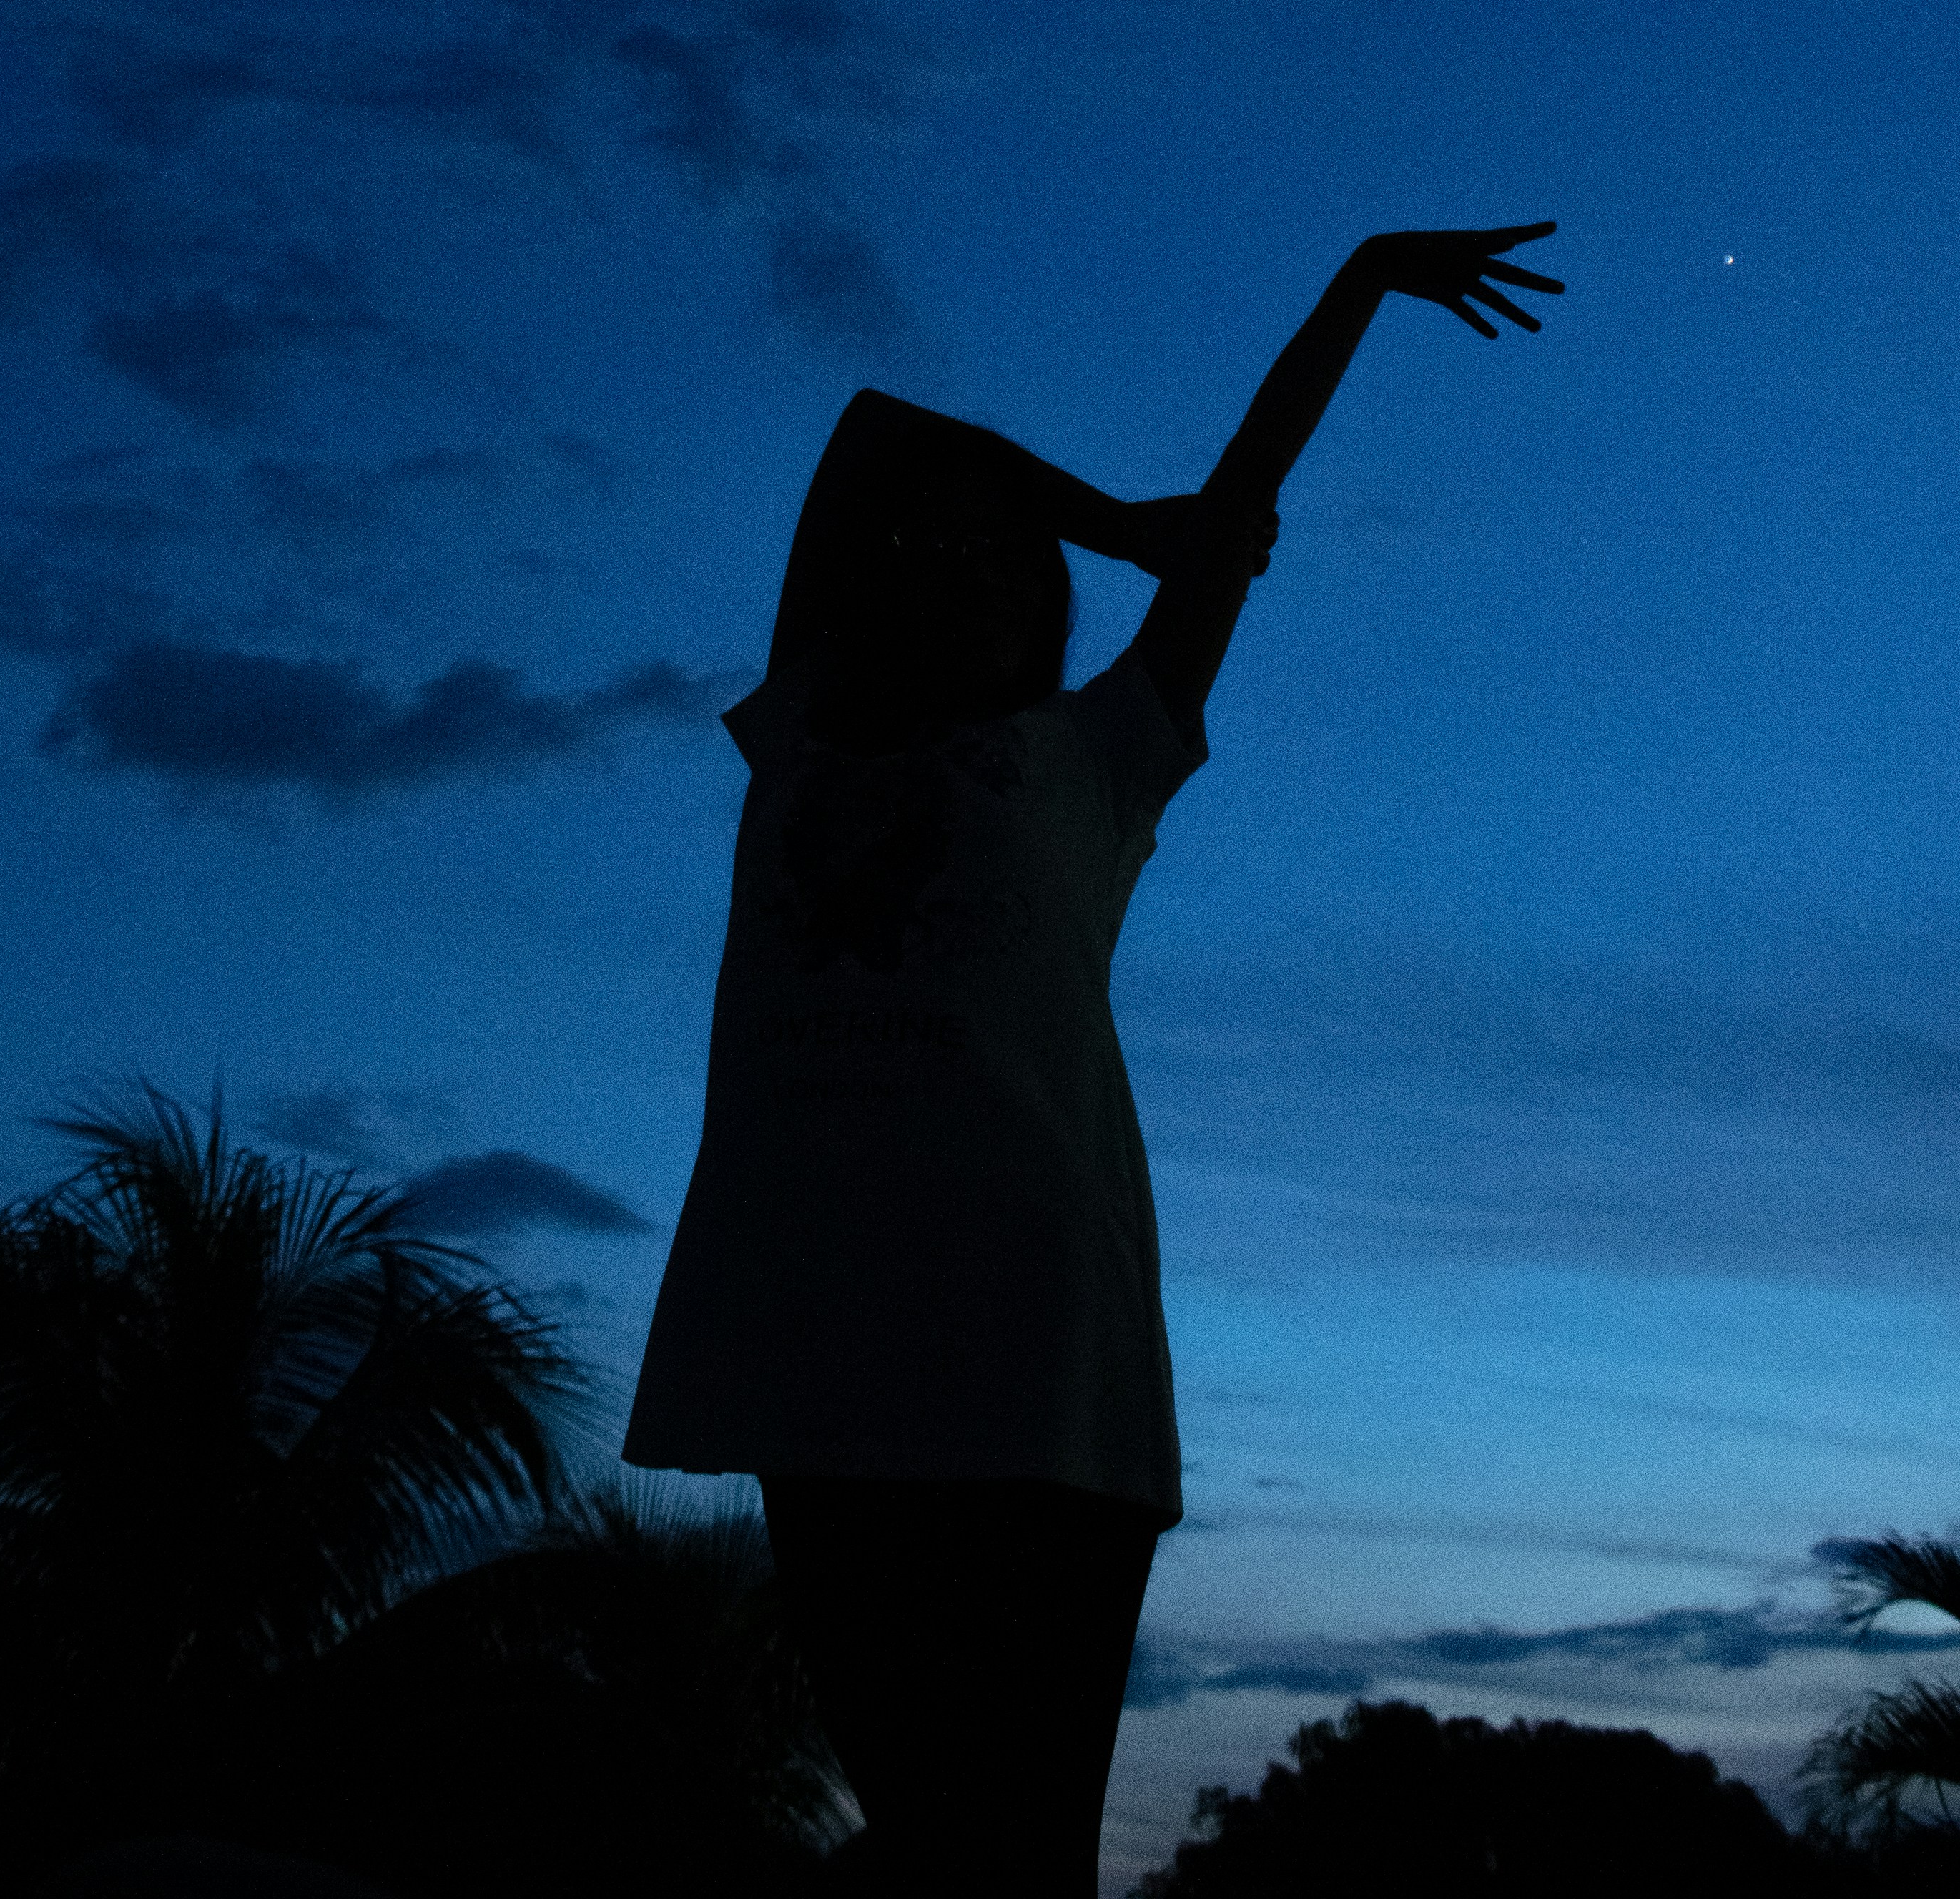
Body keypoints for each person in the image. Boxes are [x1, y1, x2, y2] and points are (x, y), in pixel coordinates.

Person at [622, 218, 1563, 1895]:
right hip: (807, 1335)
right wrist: (1093, 516)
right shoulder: (795, 745)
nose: (978, 573)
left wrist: (1350, 286)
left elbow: (1243, 498)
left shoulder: (1096, 755)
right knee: (922, 1826)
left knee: (1021, 1846)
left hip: (1030, 1357)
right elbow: (871, 433)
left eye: (1013, 570)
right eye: (953, 556)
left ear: (1052, 628)